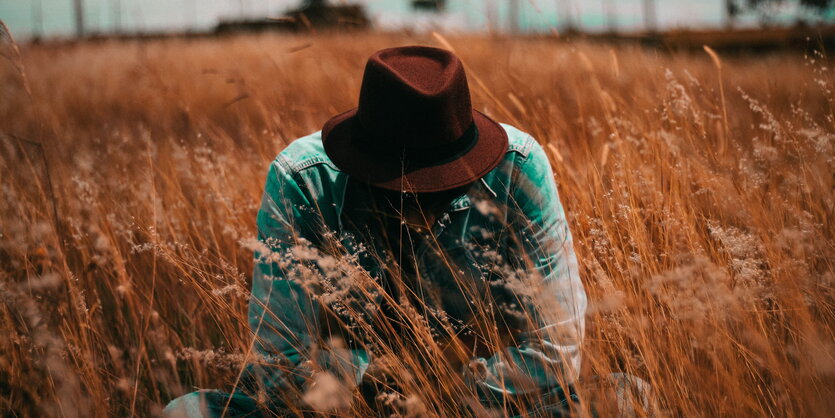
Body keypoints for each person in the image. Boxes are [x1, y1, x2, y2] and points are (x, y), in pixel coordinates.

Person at [164, 45, 587, 417]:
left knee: (626, 395)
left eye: (439, 187)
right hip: (341, 404)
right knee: (184, 412)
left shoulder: (518, 168)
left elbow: (557, 349)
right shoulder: (302, 180)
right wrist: (374, 396)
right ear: (360, 164)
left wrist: (441, 396)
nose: (421, 206)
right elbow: (280, 365)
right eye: (403, 189)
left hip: (481, 403)